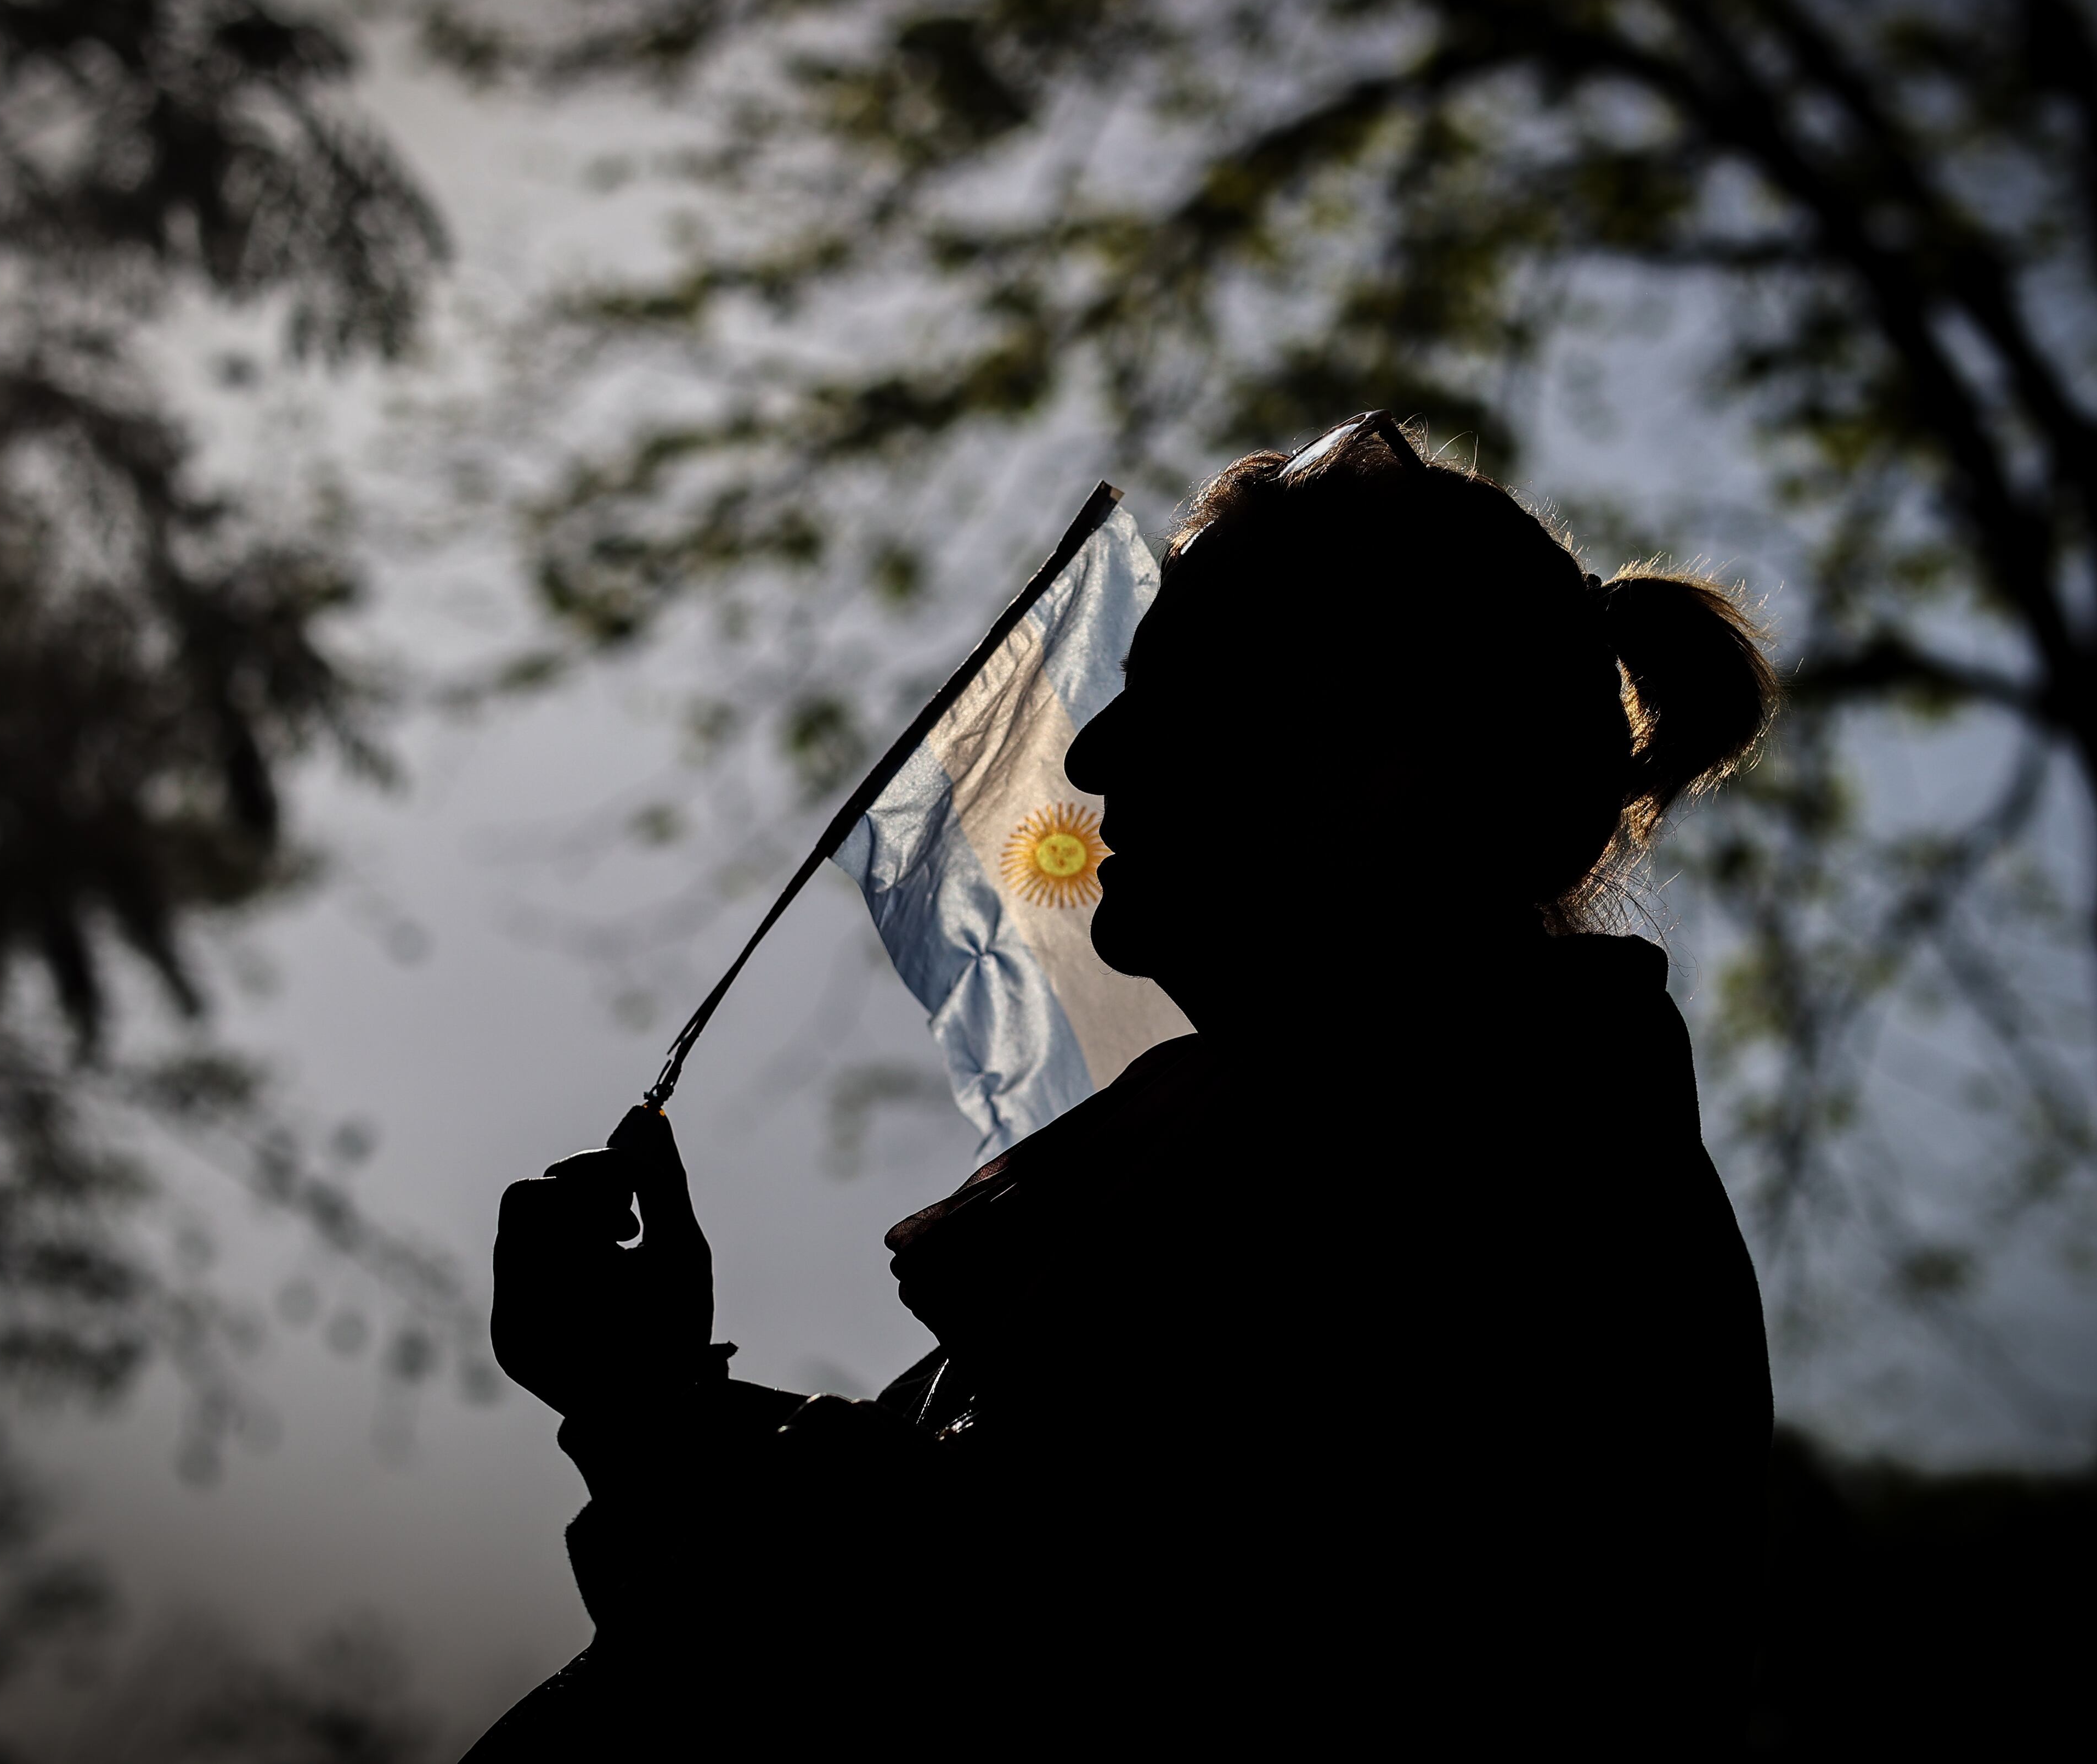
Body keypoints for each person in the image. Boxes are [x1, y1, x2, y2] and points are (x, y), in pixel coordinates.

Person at [465, 414, 1779, 1754]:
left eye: (1182, 689)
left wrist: (646, 1417)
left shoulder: (1455, 1199)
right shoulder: (1342, 1156)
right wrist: (651, 1403)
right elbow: (907, 1551)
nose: (1093, 760)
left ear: (1379, 767)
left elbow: (918, 1653)